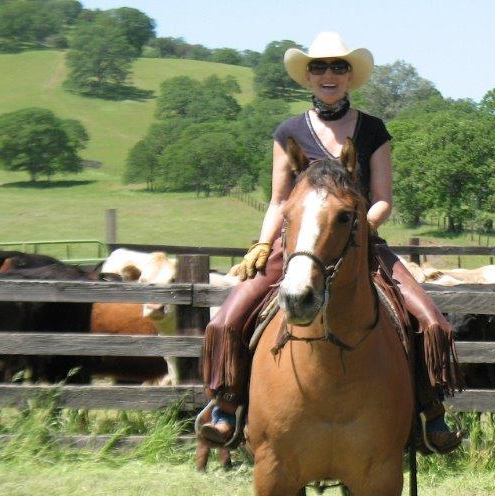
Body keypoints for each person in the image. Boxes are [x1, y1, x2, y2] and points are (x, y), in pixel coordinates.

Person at [197, 32, 462, 453]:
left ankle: (430, 412)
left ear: (350, 77)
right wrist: (263, 246)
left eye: (338, 67)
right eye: (319, 67)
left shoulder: (373, 129)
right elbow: (280, 200)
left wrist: (359, 227)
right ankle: (227, 406)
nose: (328, 74)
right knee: (224, 321)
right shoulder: (288, 131)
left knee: (431, 321)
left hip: (360, 243)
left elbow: (383, 200)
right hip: (296, 244)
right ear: (307, 77)